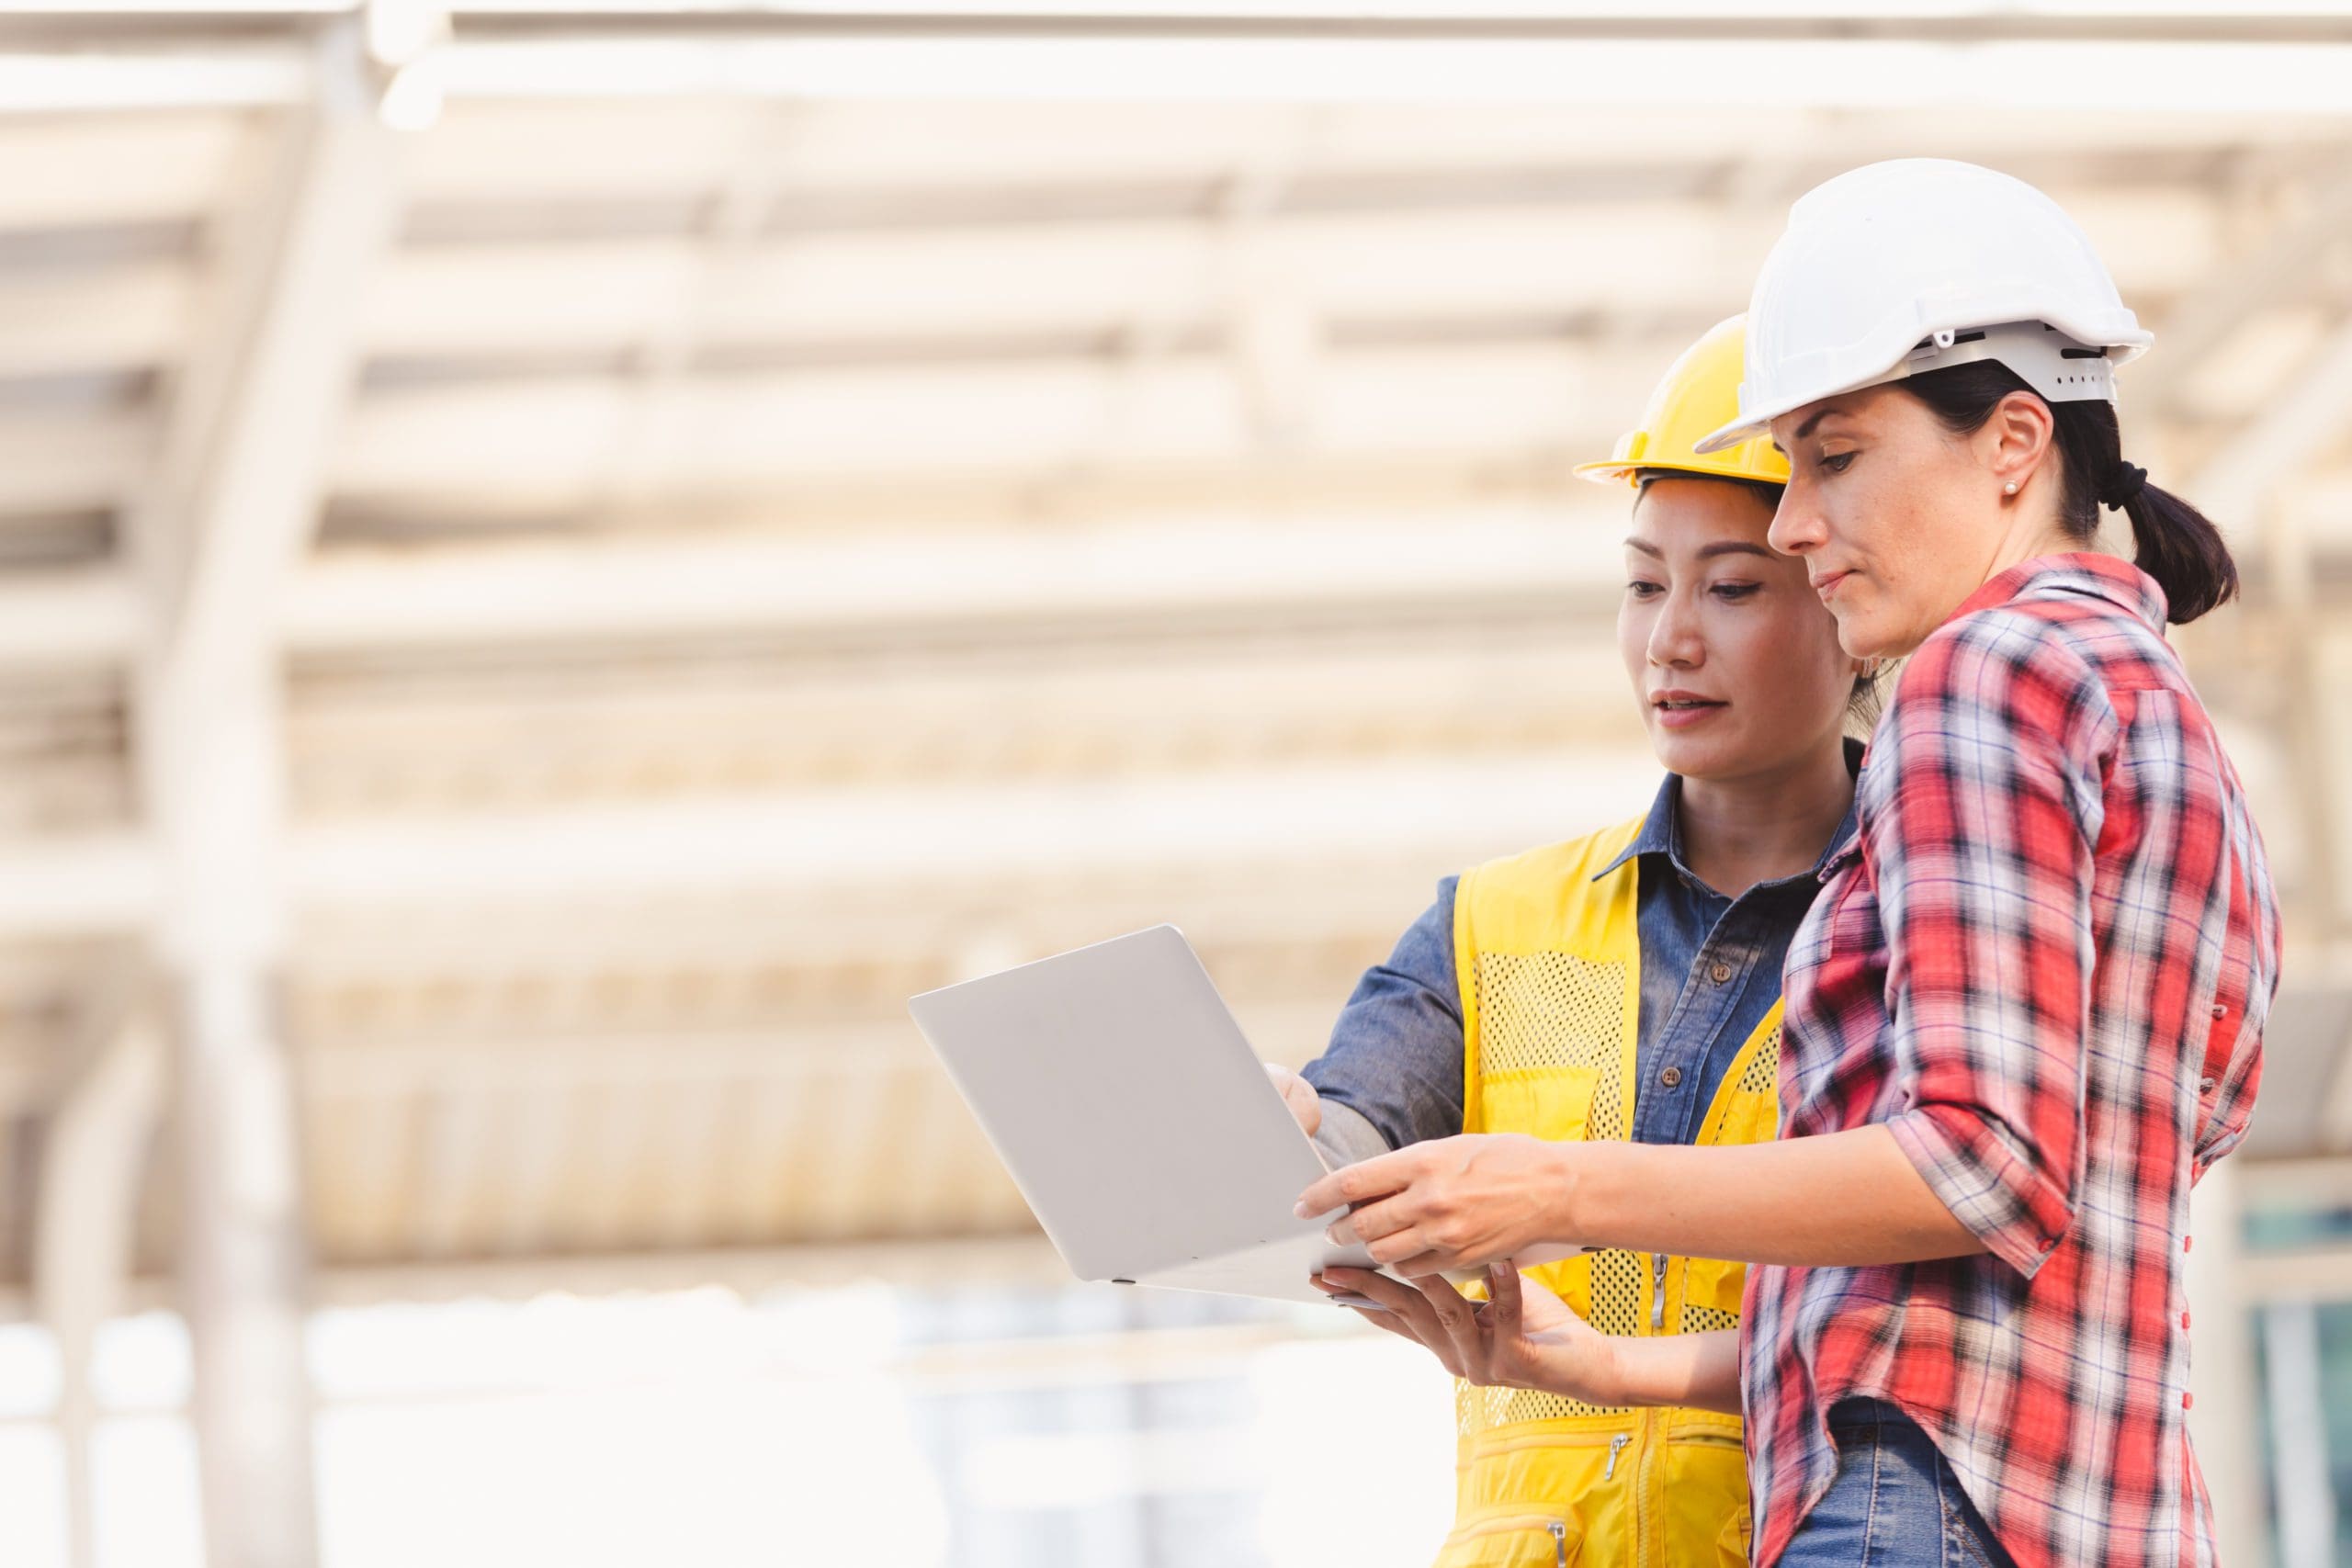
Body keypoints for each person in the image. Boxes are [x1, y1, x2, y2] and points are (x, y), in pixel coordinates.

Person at [1297, 161, 2278, 1568]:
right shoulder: (2155, 714)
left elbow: (1978, 1167)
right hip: (2084, 1510)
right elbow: (2034, 1235)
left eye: (1832, 459)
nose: (1803, 523)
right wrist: (1620, 1366)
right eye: (1644, 583)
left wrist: (1562, 1191)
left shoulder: (1978, 675)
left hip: (1914, 1499)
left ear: (2012, 444)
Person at [1269, 315, 1873, 1567]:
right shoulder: (1492, 923)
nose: (1672, 639)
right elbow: (1363, 1127)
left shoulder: (1923, 918)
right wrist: (1290, 1136)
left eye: (1733, 586)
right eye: (1646, 582)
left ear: (1845, 599)